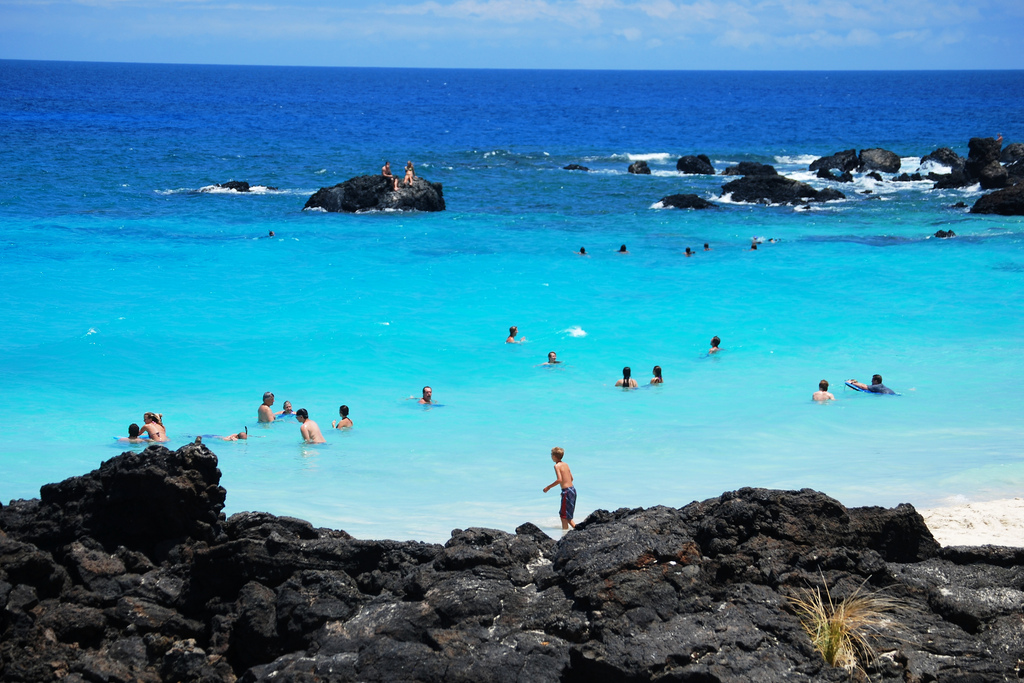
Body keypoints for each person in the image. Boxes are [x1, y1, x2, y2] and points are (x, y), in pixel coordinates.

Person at [543, 447, 576, 531]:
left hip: (567, 492)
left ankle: (575, 531)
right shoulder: (566, 464)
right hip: (572, 490)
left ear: (554, 456)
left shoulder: (557, 466)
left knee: (564, 517)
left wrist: (548, 487)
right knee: (567, 516)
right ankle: (571, 532)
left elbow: (559, 480)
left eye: (551, 455)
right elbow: (571, 478)